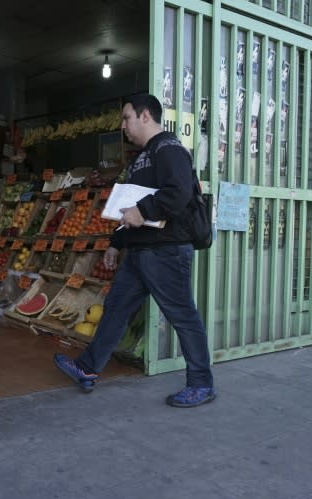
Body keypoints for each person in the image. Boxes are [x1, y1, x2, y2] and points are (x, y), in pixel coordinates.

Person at [53, 93, 216, 408]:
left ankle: (201, 383)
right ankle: (88, 368)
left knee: (182, 316)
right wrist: (116, 242)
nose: (123, 126)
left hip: (166, 251)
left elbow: (178, 192)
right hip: (140, 250)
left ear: (145, 116)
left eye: (127, 118)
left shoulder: (168, 149)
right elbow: (128, 205)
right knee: (116, 309)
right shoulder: (142, 157)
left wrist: (143, 212)